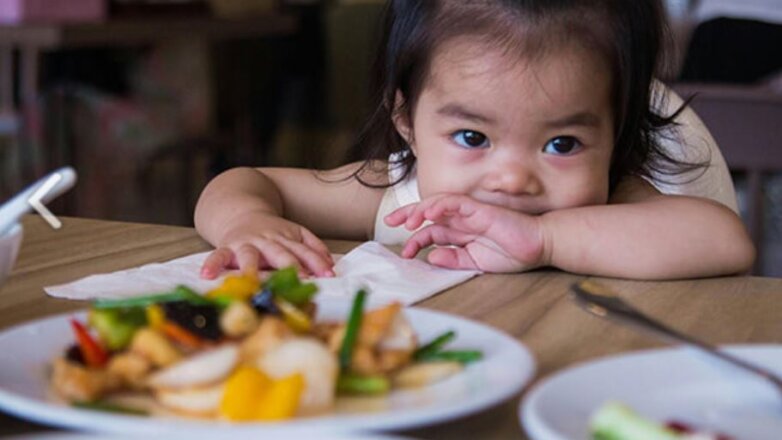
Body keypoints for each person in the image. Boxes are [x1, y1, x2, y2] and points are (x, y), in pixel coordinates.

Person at [194, 0, 754, 280]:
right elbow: (247, 181)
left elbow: (725, 242)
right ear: (408, 121)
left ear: (617, 132)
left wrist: (544, 240)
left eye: (562, 144)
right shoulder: (400, 195)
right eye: (471, 136)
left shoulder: (613, 201)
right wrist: (248, 224)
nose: (511, 179)